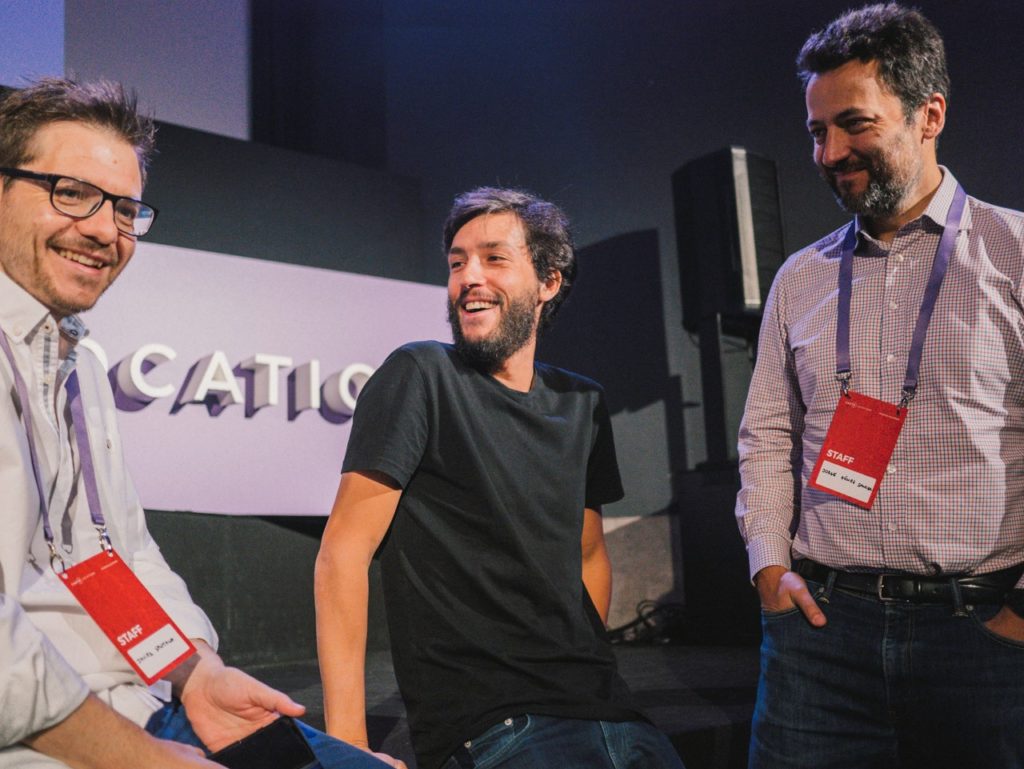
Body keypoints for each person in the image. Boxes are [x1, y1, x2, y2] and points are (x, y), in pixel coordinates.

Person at [0, 77, 392, 769]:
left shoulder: (79, 362)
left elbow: (116, 555)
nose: (104, 230)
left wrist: (198, 672)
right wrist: (143, 757)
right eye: (72, 192)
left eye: (125, 209)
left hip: (145, 706)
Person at [735, 4, 1024, 768]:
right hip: (821, 637)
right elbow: (766, 435)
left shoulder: (1017, 254)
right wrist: (770, 565)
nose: (830, 152)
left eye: (854, 124)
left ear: (930, 115)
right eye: (817, 131)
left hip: (985, 637)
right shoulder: (800, 278)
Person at [315, 187, 685, 769]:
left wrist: (594, 675)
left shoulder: (583, 402)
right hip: (496, 729)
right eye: (457, 262)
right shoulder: (420, 374)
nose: (469, 277)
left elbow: (589, 554)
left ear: (548, 282)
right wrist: (348, 747)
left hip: (615, 716)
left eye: (493, 258)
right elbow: (343, 554)